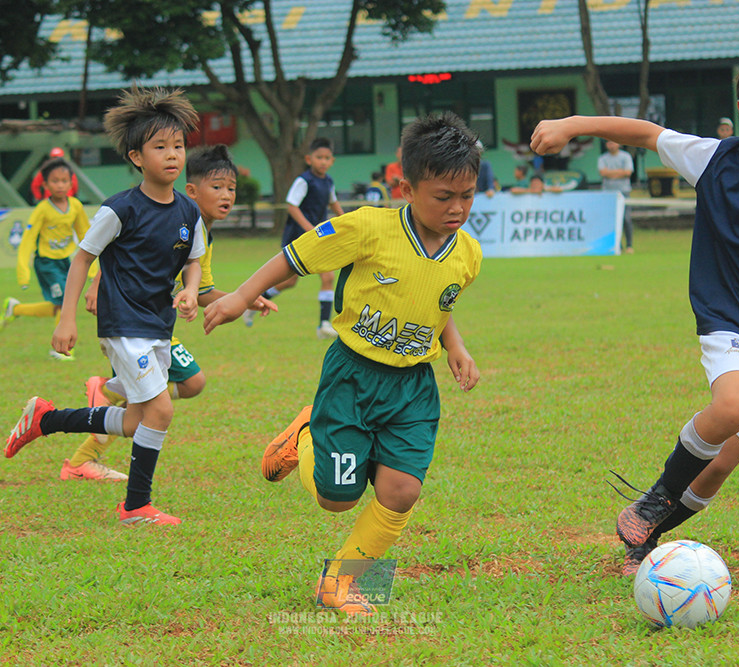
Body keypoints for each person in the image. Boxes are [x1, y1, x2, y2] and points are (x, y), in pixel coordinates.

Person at [531, 38, 739, 575]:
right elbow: (645, 133)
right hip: (730, 317)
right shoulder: (714, 159)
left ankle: (646, 534)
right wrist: (573, 124)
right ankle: (653, 500)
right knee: (733, 405)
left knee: (717, 470)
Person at [202, 111, 483, 614]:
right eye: (444, 196)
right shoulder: (367, 227)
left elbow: (438, 303)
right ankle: (305, 434)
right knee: (337, 499)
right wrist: (240, 297)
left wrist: (456, 347)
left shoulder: (468, 253)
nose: (457, 208)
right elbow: (293, 257)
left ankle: (340, 580)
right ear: (406, 188)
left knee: (402, 490)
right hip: (353, 376)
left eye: (467, 195)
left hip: (413, 387)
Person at [3, 86, 206, 527]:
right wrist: (67, 318)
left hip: (158, 325)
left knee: (135, 422)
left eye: (178, 145)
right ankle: (135, 507)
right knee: (161, 411)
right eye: (160, 147)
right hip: (123, 323)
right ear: (136, 157)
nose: (173, 154)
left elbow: (194, 262)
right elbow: (82, 259)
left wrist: (191, 291)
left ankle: (46, 419)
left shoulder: (189, 213)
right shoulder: (120, 209)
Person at [65, 145, 276, 482]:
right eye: (217, 187)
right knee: (183, 386)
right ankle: (107, 393)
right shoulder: (173, 215)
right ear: (192, 191)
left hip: (155, 320)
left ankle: (83, 456)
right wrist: (95, 284)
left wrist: (243, 299)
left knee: (159, 399)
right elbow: (125, 249)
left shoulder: (199, 231)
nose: (227, 195)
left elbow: (202, 291)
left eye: (231, 189)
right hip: (135, 320)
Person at [244, 138, 344, 336]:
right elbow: (292, 206)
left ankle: (323, 325)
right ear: (309, 159)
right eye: (319, 157)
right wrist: (309, 229)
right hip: (299, 237)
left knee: (328, 276)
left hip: (319, 237)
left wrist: (348, 221)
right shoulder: (304, 181)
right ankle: (255, 302)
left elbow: (333, 204)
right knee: (289, 281)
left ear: (332, 161)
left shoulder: (329, 182)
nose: (323, 161)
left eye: (327, 158)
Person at [0, 157, 90, 361]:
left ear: (71, 183)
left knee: (60, 306)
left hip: (66, 262)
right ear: (46, 185)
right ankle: (63, 349)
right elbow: (28, 239)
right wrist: (23, 272)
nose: (60, 185)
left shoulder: (76, 206)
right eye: (55, 181)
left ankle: (16, 309)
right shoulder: (42, 209)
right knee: (65, 301)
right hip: (46, 263)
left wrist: (92, 268)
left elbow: (85, 235)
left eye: (64, 181)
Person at [597, 140, 636, 253]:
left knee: (626, 218)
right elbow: (603, 173)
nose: (612, 145)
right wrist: (620, 172)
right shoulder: (603, 158)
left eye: (613, 143)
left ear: (619, 144)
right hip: (608, 193)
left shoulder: (626, 156)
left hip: (624, 191)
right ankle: (617, 245)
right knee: (611, 219)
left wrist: (610, 173)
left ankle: (629, 245)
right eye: (609, 143)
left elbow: (628, 172)